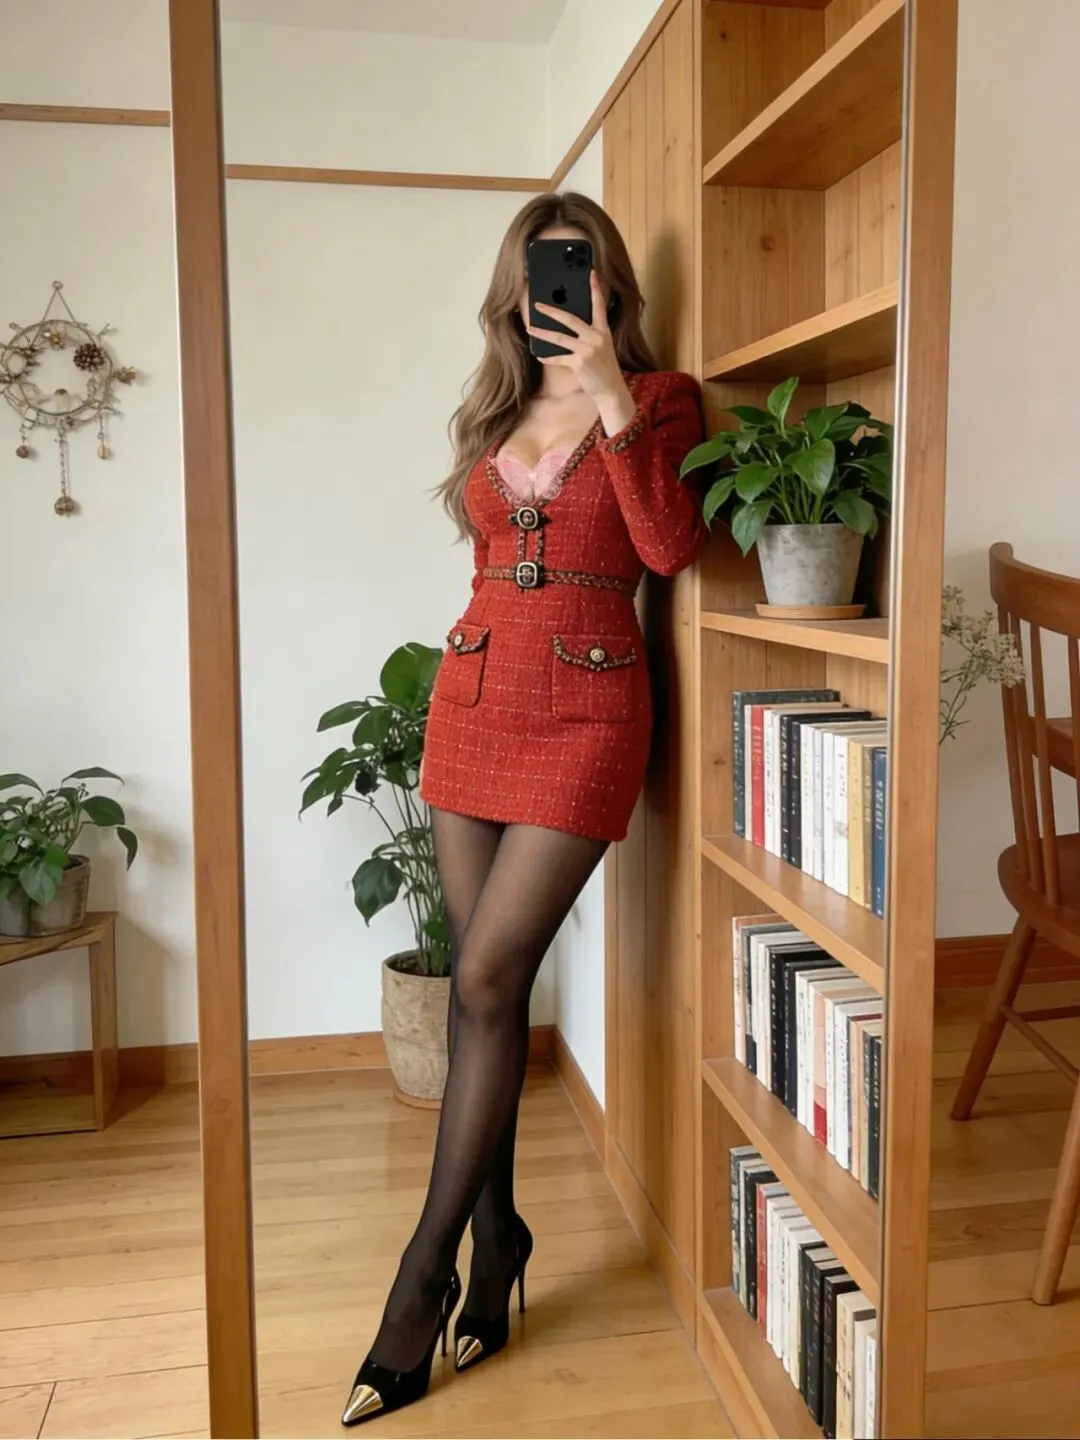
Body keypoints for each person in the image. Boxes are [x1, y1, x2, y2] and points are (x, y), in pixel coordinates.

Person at [342, 191, 705, 1427]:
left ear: (610, 283)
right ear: (516, 288)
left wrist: (610, 394)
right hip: (473, 704)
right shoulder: (494, 410)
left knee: (493, 977)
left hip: (590, 715)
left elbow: (669, 548)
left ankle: (421, 1280)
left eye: (581, 268)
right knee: (478, 988)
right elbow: (495, 563)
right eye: (544, 273)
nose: (559, 291)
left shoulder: (661, 401)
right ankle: (496, 1241)